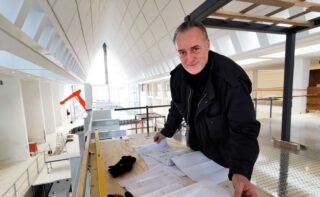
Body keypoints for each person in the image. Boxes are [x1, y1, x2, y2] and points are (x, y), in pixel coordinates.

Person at [153, 21, 260, 197]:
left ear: (208, 45)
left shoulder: (230, 80)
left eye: (195, 49)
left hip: (223, 164)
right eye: (182, 52)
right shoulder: (177, 78)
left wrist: (240, 171)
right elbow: (177, 106)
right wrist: (167, 131)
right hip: (195, 152)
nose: (189, 59)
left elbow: (245, 129)